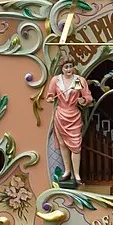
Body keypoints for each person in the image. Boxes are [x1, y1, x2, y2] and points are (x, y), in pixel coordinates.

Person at [48, 57, 92, 187]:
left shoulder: (78, 80)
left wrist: (83, 100)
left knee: (75, 145)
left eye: (70, 66)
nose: (68, 69)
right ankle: (67, 171)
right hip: (61, 115)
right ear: (62, 68)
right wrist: (50, 98)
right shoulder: (56, 80)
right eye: (66, 67)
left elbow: (88, 96)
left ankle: (76, 174)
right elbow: (50, 94)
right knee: (63, 144)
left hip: (73, 115)